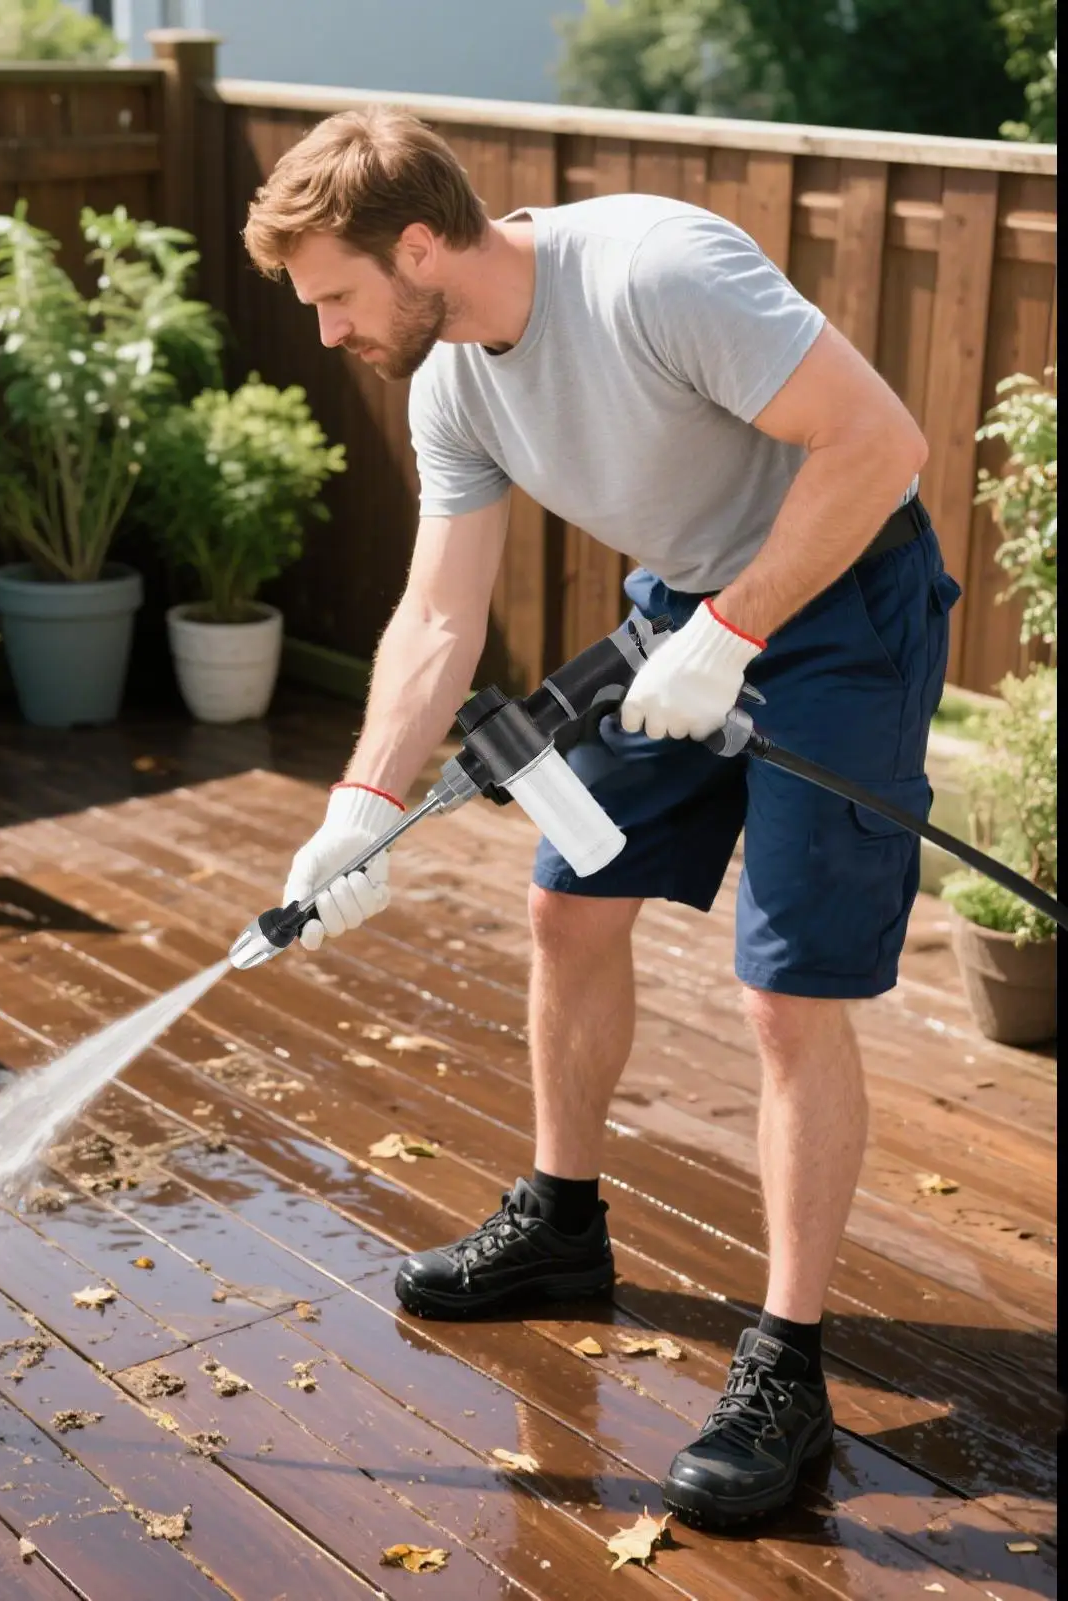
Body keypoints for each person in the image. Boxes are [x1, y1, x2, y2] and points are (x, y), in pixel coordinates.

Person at [243, 105, 962, 1531]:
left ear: (423, 244)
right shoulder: (451, 379)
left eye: (333, 296)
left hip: (842, 604)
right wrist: (360, 807)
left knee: (785, 999)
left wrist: (744, 627)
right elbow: (440, 612)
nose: (325, 333)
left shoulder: (652, 273)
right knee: (565, 900)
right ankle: (563, 1226)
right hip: (685, 615)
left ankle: (788, 1365)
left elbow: (883, 443)